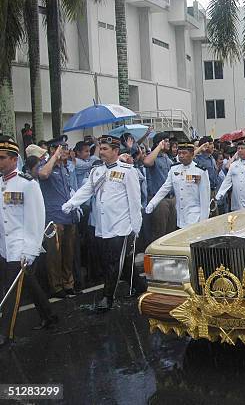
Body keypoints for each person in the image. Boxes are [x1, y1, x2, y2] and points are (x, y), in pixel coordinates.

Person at [61, 134, 142, 311]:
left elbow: (135, 202)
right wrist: (71, 203)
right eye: (101, 148)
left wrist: (135, 228)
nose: (101, 152)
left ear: (116, 151)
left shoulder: (128, 171)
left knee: (113, 262)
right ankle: (140, 285)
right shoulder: (96, 171)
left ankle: (107, 297)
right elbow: (86, 190)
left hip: (121, 225)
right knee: (115, 261)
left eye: (105, 149)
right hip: (103, 225)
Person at [0, 136, 57, 347]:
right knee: (30, 284)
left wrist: (31, 250)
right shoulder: (1, 183)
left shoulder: (27, 184)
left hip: (21, 247)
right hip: (5, 247)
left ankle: (6, 332)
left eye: (2, 158)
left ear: (14, 159)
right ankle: (49, 316)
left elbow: (36, 219)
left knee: (11, 291)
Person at [38, 135, 78, 298]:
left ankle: (68, 283)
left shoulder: (66, 168)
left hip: (69, 216)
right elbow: (43, 175)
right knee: (54, 255)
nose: (67, 151)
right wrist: (54, 157)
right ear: (54, 150)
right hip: (54, 218)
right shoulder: (46, 165)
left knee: (68, 253)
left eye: (67, 148)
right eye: (63, 148)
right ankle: (56, 287)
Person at [146, 141, 210, 228]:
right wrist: (152, 203)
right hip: (180, 217)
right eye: (179, 153)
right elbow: (165, 188)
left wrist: (203, 221)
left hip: (195, 216)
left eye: (184, 153)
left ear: (192, 154)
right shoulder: (174, 169)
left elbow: (205, 198)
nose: (181, 155)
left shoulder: (200, 171)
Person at [143, 132, 176, 244]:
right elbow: (147, 162)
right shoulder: (154, 157)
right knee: (159, 232)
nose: (168, 143)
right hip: (159, 200)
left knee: (171, 232)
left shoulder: (167, 158)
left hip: (171, 198)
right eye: (165, 141)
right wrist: (158, 147)